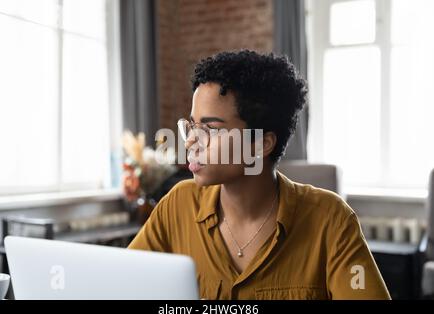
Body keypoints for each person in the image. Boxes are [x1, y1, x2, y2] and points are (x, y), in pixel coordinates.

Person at [128, 50, 390, 300]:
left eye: (209, 128)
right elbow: (123, 284)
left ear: (261, 144)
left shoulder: (331, 221)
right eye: (191, 126)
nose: (190, 142)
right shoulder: (178, 206)